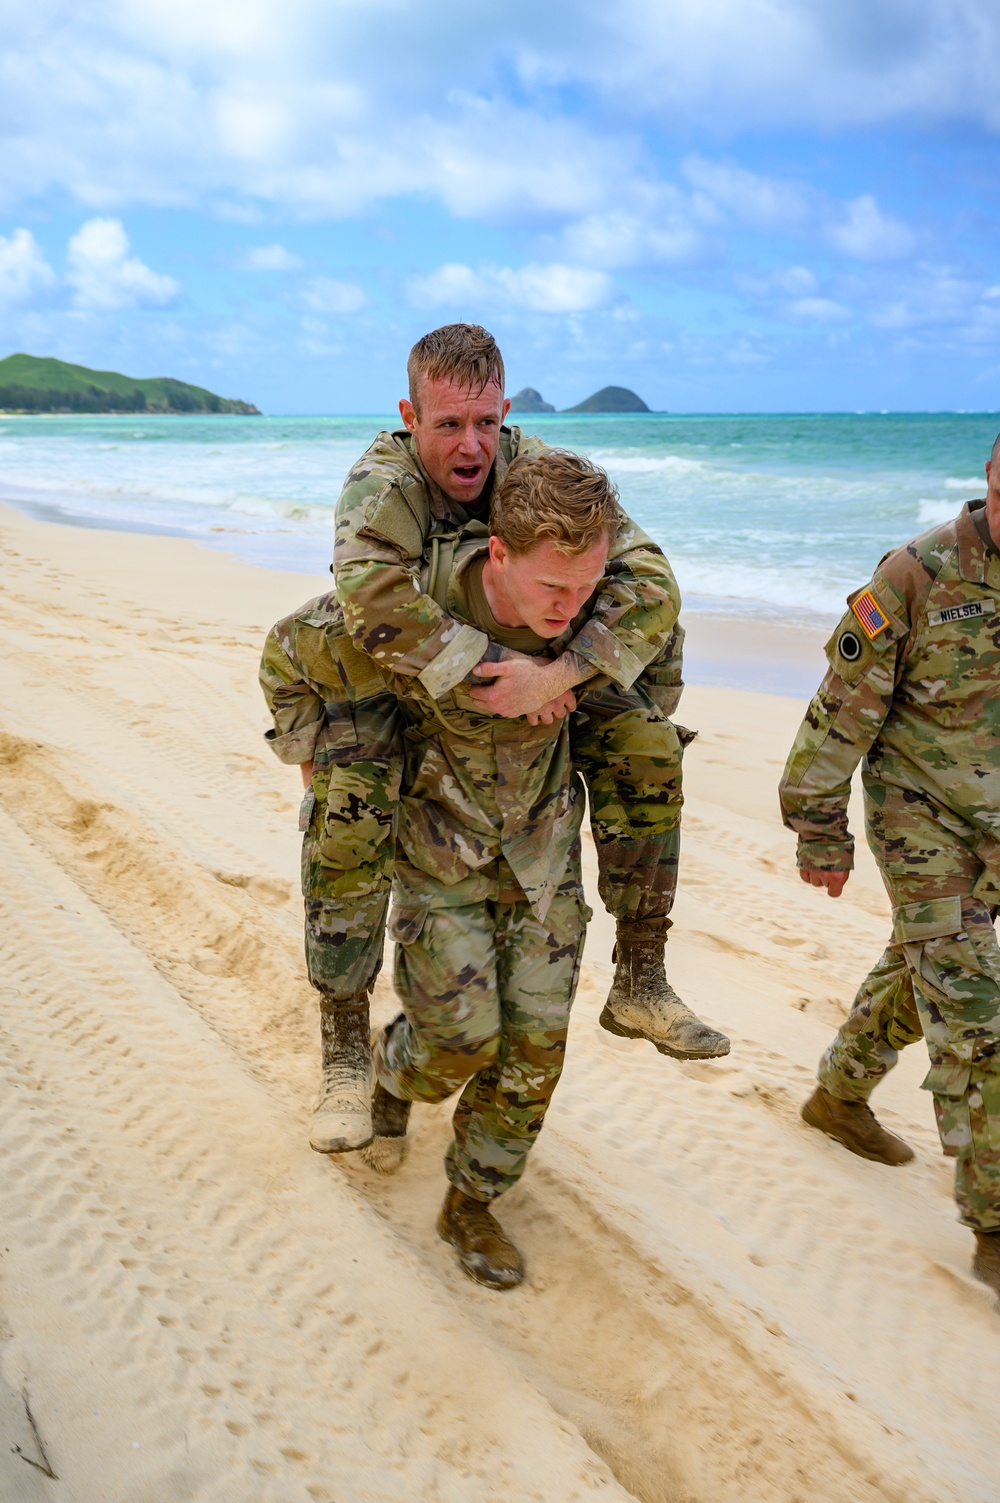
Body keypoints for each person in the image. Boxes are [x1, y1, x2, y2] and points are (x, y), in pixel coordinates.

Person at [278, 323, 726, 1154]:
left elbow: (650, 576)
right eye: (449, 424)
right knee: (348, 811)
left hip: (535, 659)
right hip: (398, 670)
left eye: (486, 421)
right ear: (412, 416)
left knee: (645, 741)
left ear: (506, 411)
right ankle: (347, 1041)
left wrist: (559, 677)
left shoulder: (533, 466)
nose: (471, 444)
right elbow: (371, 602)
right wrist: (496, 674)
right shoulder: (385, 485)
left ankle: (640, 972)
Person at [267, 451, 640, 1288]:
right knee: (462, 1039)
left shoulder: (588, 615)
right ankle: (396, 1070)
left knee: (535, 1049)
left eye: (583, 589)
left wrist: (573, 673)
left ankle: (472, 1199)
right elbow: (288, 653)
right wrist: (313, 763)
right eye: (553, 590)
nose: (569, 608)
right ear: (500, 554)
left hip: (543, 861)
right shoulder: (414, 610)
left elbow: (656, 638)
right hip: (441, 863)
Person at [779, 440, 1000, 1298]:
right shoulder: (917, 576)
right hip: (921, 813)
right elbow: (839, 709)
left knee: (933, 965)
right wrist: (818, 825)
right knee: (976, 1008)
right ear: (989, 479)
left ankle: (838, 1094)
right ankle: (994, 1222)